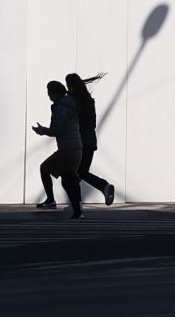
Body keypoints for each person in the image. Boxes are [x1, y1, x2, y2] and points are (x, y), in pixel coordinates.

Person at [32, 80, 84, 219]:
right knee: (68, 180)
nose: (48, 96)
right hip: (77, 149)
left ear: (54, 93)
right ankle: (78, 212)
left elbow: (57, 130)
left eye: (49, 93)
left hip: (66, 150)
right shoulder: (70, 103)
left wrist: (42, 130)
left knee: (44, 168)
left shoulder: (60, 107)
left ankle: (50, 200)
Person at [66, 72, 115, 206]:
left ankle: (78, 204)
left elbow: (72, 120)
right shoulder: (89, 100)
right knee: (80, 173)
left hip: (79, 141)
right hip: (91, 141)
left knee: (74, 173)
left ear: (71, 86)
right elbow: (92, 123)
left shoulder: (72, 101)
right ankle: (78, 203)